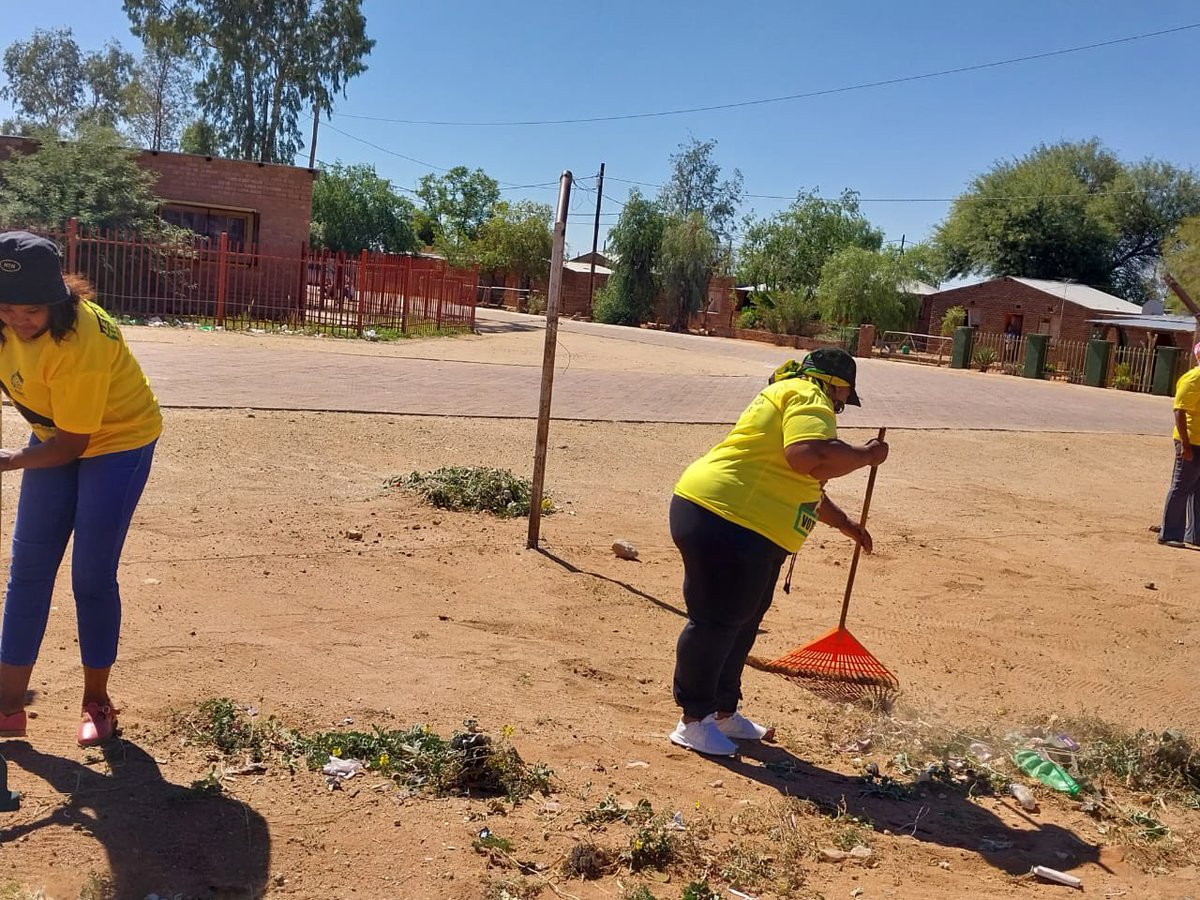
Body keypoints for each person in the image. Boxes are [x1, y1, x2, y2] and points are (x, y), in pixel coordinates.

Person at [668, 347, 888, 756]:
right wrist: (867, 455)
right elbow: (810, 457)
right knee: (716, 621)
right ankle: (692, 721)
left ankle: (722, 711)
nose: (840, 408)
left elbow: (804, 487)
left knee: (742, 621)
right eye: (843, 399)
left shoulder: (792, 396)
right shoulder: (808, 394)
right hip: (726, 518)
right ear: (836, 386)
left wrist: (847, 526)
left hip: (744, 525)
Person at [0, 231, 161, 746]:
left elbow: (72, 445)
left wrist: (9, 461)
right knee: (27, 570)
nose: (18, 321)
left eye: (31, 310)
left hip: (116, 441)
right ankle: (7, 707)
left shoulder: (80, 340)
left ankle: (97, 702)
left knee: (90, 575)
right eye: (6, 307)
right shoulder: (3, 326)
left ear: (57, 300)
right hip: (54, 432)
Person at [1159, 342, 1200, 549]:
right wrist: (1185, 444)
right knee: (1181, 486)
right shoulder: (1194, 378)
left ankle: (1195, 534)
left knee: (1198, 489)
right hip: (1190, 440)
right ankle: (1170, 533)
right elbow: (1179, 410)